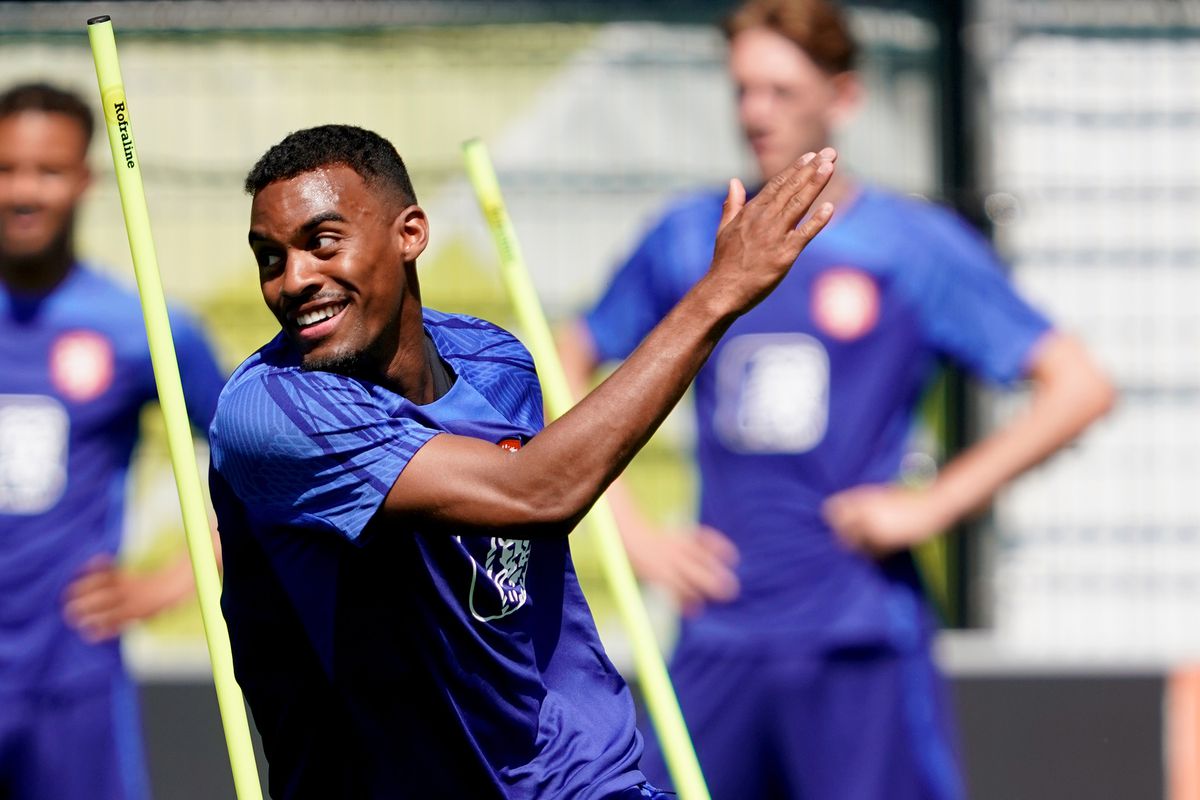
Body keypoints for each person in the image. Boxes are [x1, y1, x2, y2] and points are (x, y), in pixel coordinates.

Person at [555, 1, 1116, 798]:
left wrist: (931, 507)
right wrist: (634, 535)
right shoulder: (691, 237)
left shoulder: (908, 246)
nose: (755, 113)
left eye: (781, 91)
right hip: (720, 631)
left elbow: (1079, 386)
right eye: (743, 89)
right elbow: (564, 357)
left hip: (858, 636)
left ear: (842, 97)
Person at [206, 123, 835, 798]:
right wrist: (718, 295)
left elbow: (516, 572)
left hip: (571, 779)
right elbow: (536, 493)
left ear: (410, 233)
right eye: (269, 259)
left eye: (321, 244)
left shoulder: (495, 362)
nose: (294, 280)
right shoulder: (272, 411)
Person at [0, 83, 227, 799]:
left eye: (48, 170)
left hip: (69, 682)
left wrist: (169, 583)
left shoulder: (141, 329)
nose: (23, 192)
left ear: (87, 180)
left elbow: (266, 477)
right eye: (5, 169)